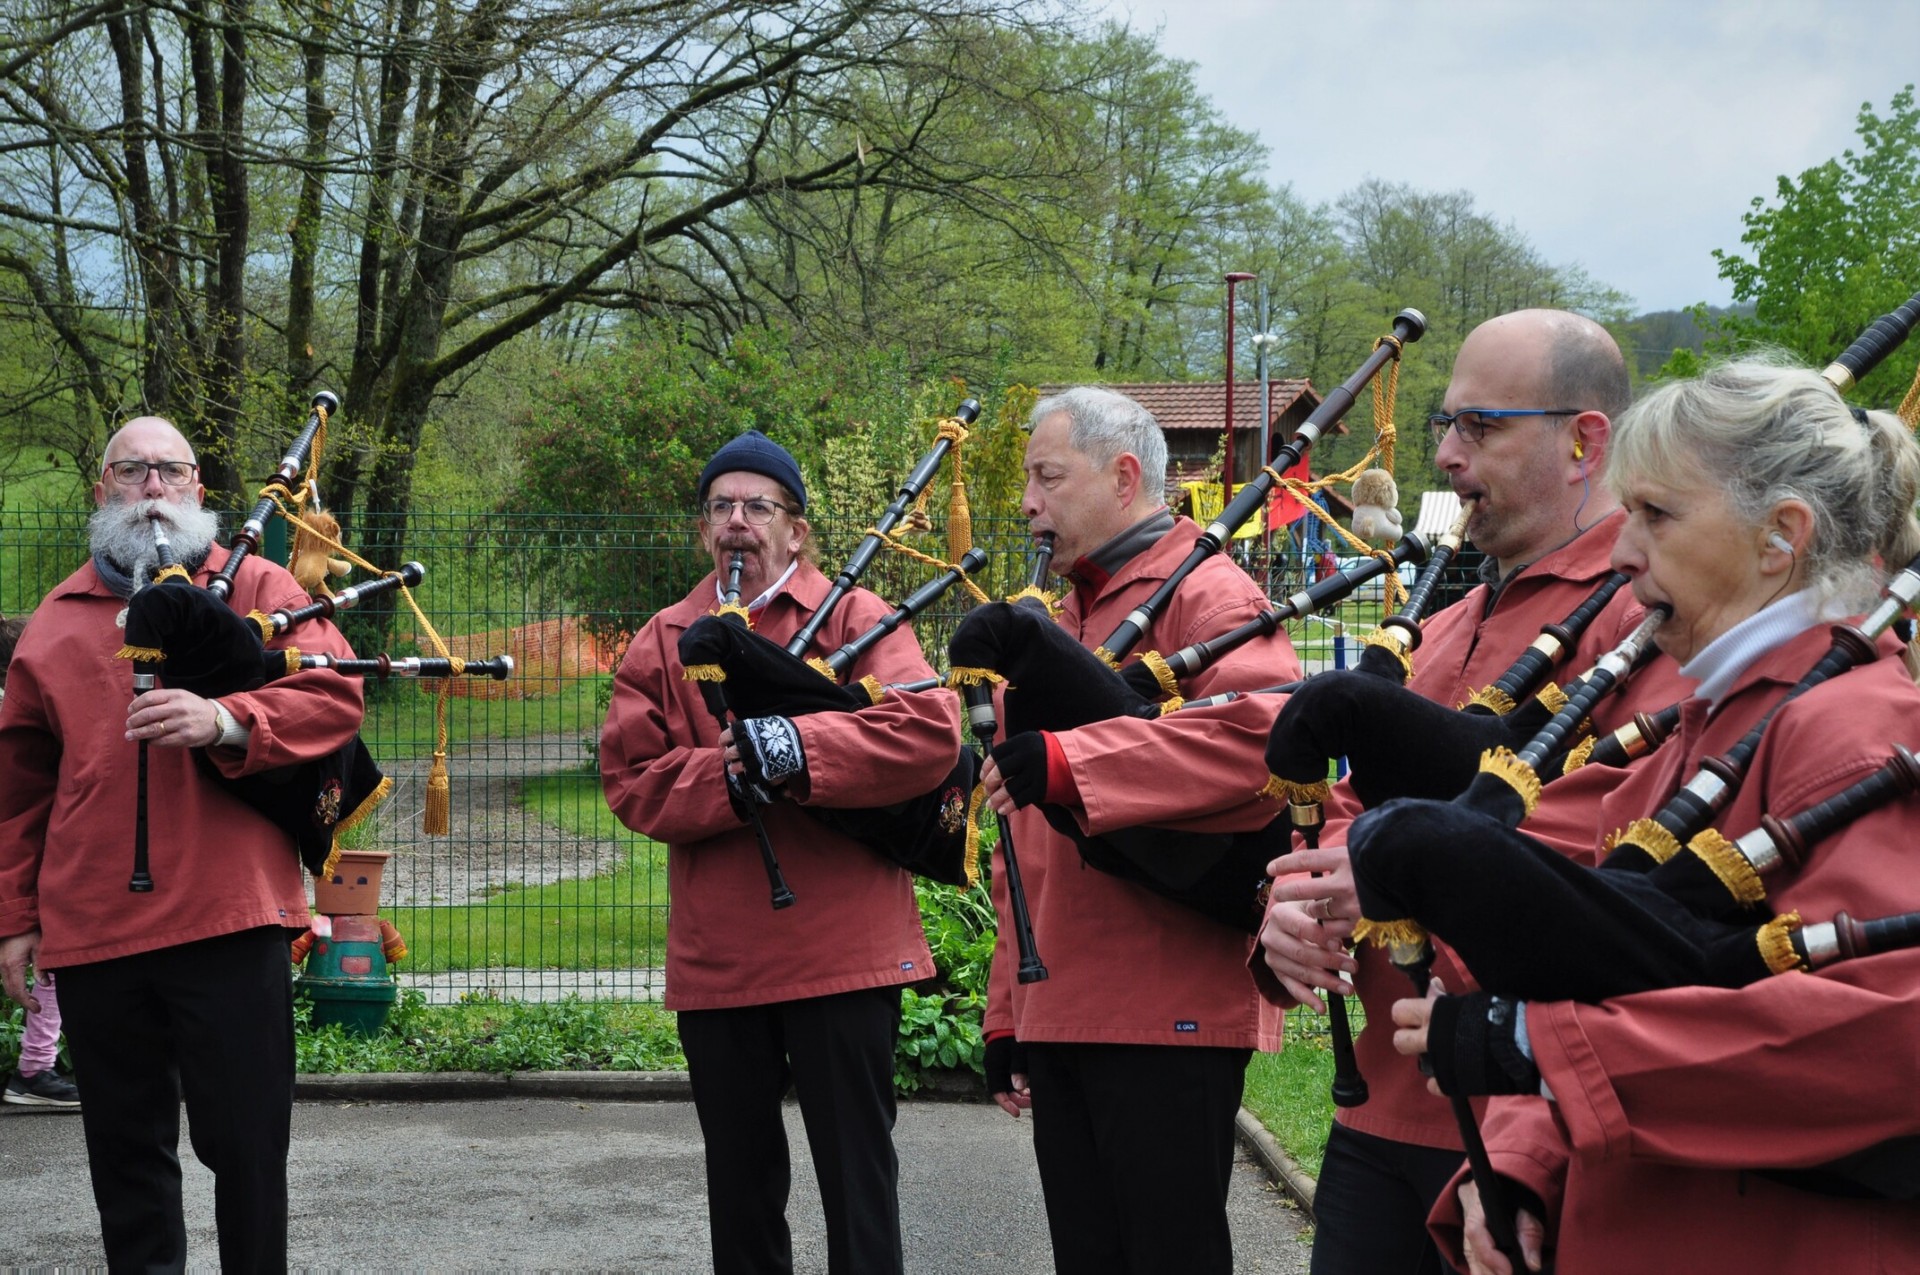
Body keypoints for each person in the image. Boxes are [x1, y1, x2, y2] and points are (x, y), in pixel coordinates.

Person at [1375, 359, 1920, 1273]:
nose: (1622, 553)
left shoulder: (1855, 728)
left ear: (1780, 537)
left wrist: (1534, 1048)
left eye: (1657, 516)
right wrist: (1515, 1162)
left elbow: (1891, 1027)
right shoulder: (1700, 732)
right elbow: (1584, 981)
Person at [1256, 309, 1691, 1275]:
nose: (1448, 456)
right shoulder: (1447, 626)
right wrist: (1288, 905)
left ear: (1584, 441)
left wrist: (1405, 868)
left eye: (1480, 426)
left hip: (1530, 1116)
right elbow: (1348, 812)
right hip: (1380, 1107)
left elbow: (1627, 853)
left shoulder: (1651, 623)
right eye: (1443, 427)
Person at [0, 416, 363, 1269]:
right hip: (93, 933)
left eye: (171, 471)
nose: (153, 488)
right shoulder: (54, 623)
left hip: (229, 917)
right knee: (126, 1172)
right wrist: (16, 913)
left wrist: (228, 718)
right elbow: (18, 791)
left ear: (200, 488)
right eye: (132, 471)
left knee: (246, 1156)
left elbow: (337, 697)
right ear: (102, 493)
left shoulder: (262, 586)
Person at [599, 429, 961, 1275]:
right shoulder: (665, 638)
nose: (737, 522)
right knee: (742, 1189)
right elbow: (630, 778)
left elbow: (929, 732)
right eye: (720, 507)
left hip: (846, 951)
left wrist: (796, 751)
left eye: (757, 506)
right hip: (722, 961)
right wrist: (726, 776)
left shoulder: (858, 618)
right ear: (702, 531)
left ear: (796, 531)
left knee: (859, 1188)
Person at [976, 386, 1299, 1274]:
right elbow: (1020, 839)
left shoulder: (1210, 595)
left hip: (1168, 1006)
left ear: (1124, 476)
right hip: (1064, 1002)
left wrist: (1075, 765)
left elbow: (1264, 740)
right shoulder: (1059, 613)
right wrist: (1010, 1009)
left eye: (1048, 476)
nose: (1029, 503)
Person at [1, 612, 80, 1111]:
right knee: (50, 955)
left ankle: (35, 1068)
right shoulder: (23, 711)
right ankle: (34, 1068)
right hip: (31, 854)